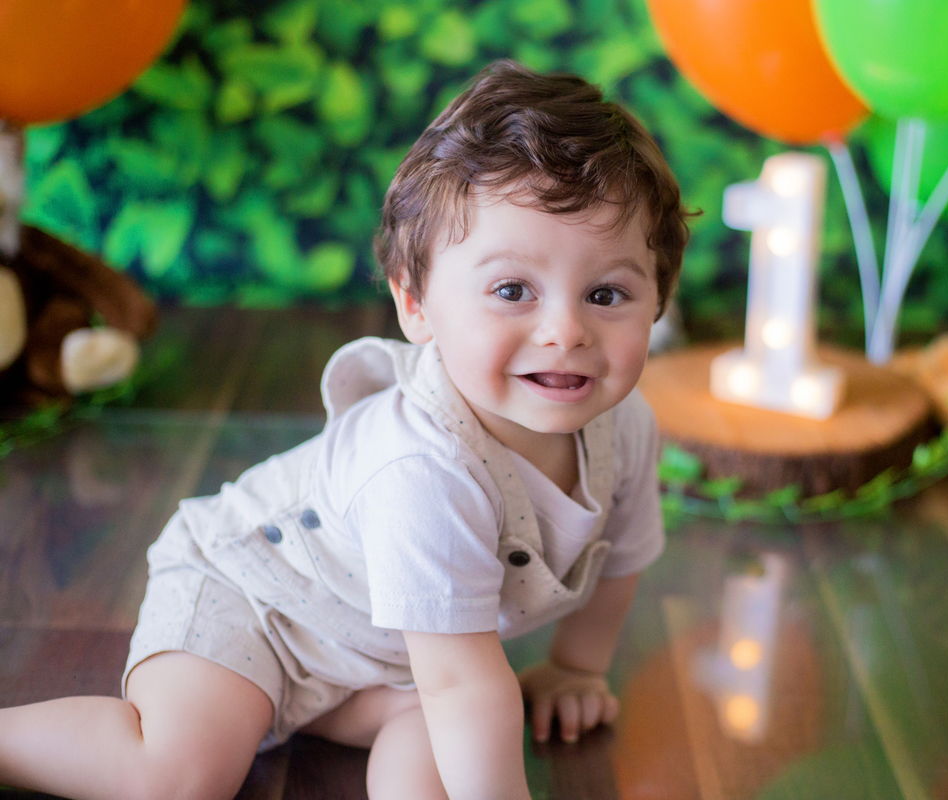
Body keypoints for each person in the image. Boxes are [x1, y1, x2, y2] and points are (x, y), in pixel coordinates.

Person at [0, 60, 690, 800]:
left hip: (391, 657)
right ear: (416, 304)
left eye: (607, 293)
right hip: (256, 599)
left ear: (657, 302)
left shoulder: (626, 426)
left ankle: (325, 713)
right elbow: (462, 683)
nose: (565, 330)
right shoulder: (423, 468)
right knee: (179, 774)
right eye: (513, 290)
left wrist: (578, 666)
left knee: (446, 750)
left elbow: (622, 562)